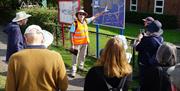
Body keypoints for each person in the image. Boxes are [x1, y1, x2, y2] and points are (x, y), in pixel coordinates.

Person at [5, 25, 68, 91]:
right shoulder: (56, 56)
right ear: (43, 39)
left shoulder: (15, 58)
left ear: (25, 39)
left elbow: (10, 87)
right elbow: (64, 85)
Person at [69, 8, 109, 77]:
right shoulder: (74, 23)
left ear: (85, 16)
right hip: (76, 44)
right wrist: (72, 45)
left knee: (83, 55)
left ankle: (81, 67)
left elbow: (95, 16)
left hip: (84, 43)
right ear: (77, 15)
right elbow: (71, 34)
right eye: (80, 14)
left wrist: (103, 12)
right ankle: (73, 71)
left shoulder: (86, 21)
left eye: (83, 14)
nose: (81, 15)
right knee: (75, 57)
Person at [133, 20, 164, 90]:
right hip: (154, 63)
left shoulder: (147, 40)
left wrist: (139, 39)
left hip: (145, 64)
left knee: (143, 79)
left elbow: (136, 47)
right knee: (151, 80)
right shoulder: (161, 38)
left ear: (151, 30)